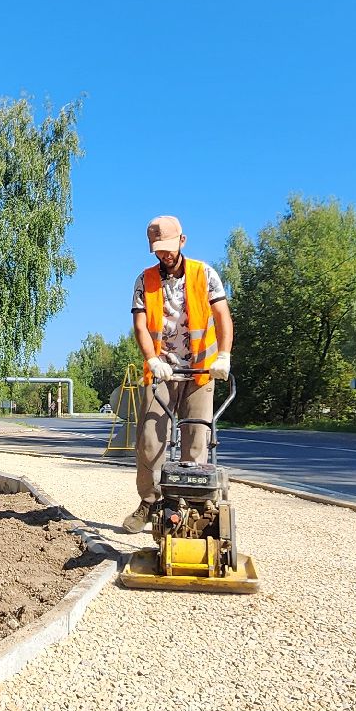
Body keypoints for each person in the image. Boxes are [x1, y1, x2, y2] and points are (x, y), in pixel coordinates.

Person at [122, 214, 234, 533]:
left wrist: (224, 355)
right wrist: (152, 358)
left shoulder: (205, 274)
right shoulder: (145, 280)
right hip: (162, 370)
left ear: (182, 241)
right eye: (158, 249)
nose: (164, 254)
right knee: (149, 440)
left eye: (169, 247)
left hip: (200, 370)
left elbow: (222, 317)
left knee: (197, 440)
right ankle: (150, 502)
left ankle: (195, 508)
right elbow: (141, 326)